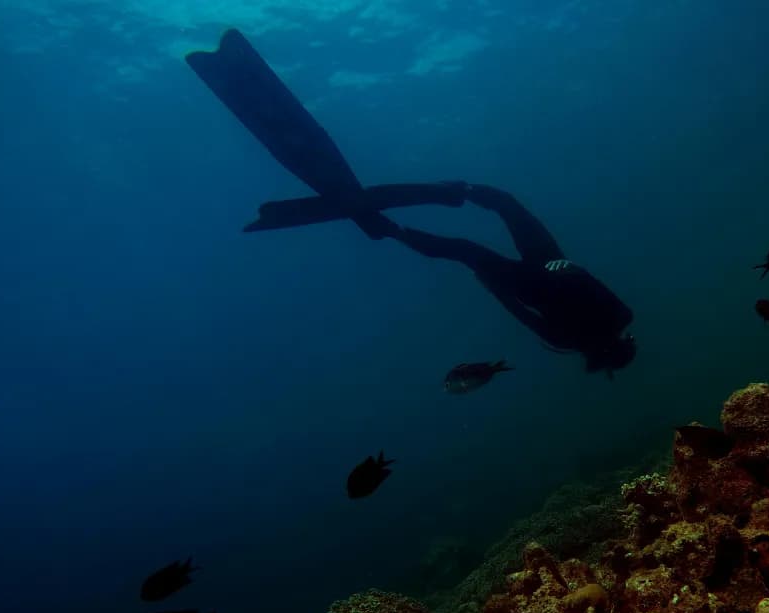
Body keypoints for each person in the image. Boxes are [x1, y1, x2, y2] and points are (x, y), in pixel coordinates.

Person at [185, 28, 636, 376]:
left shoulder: (569, 337)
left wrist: (496, 280)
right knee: (503, 212)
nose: (607, 346)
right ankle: (450, 196)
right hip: (551, 267)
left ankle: (417, 214)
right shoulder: (608, 320)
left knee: (469, 244)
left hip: (535, 279)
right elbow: (576, 287)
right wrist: (559, 271)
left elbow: (518, 309)